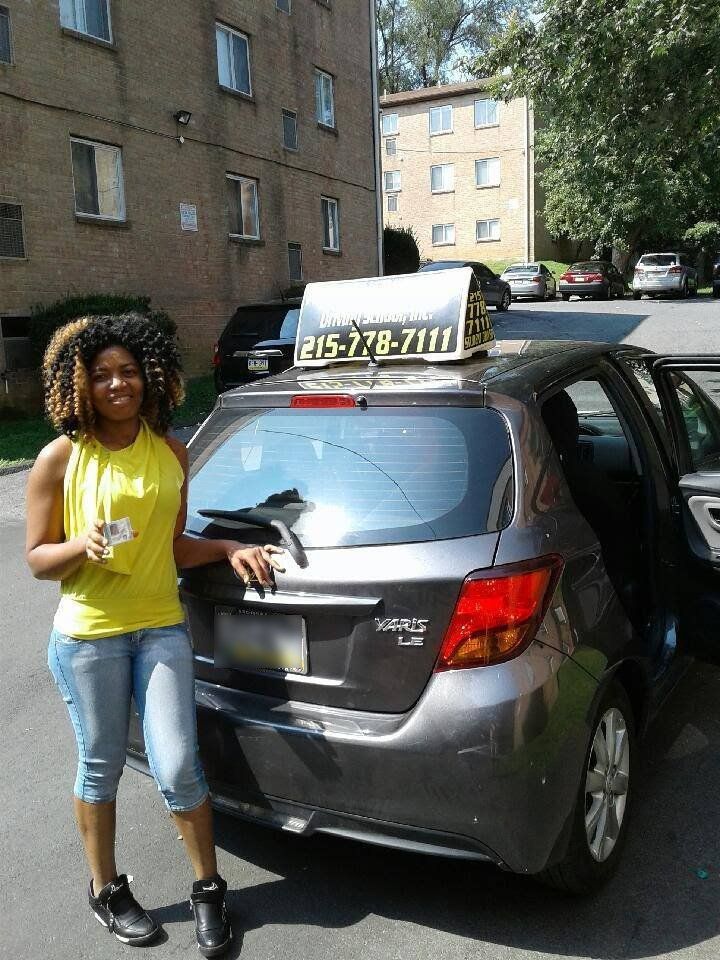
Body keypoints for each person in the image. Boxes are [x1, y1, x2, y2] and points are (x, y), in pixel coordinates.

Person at [25, 313, 284, 956]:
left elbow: (171, 545)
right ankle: (106, 888)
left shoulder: (171, 450)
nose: (119, 384)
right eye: (103, 374)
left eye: (130, 372)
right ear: (80, 382)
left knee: (176, 763)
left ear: (152, 377)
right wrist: (79, 546)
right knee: (101, 765)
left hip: (160, 628)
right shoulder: (62, 457)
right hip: (88, 638)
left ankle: (208, 888)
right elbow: (35, 559)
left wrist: (224, 545)